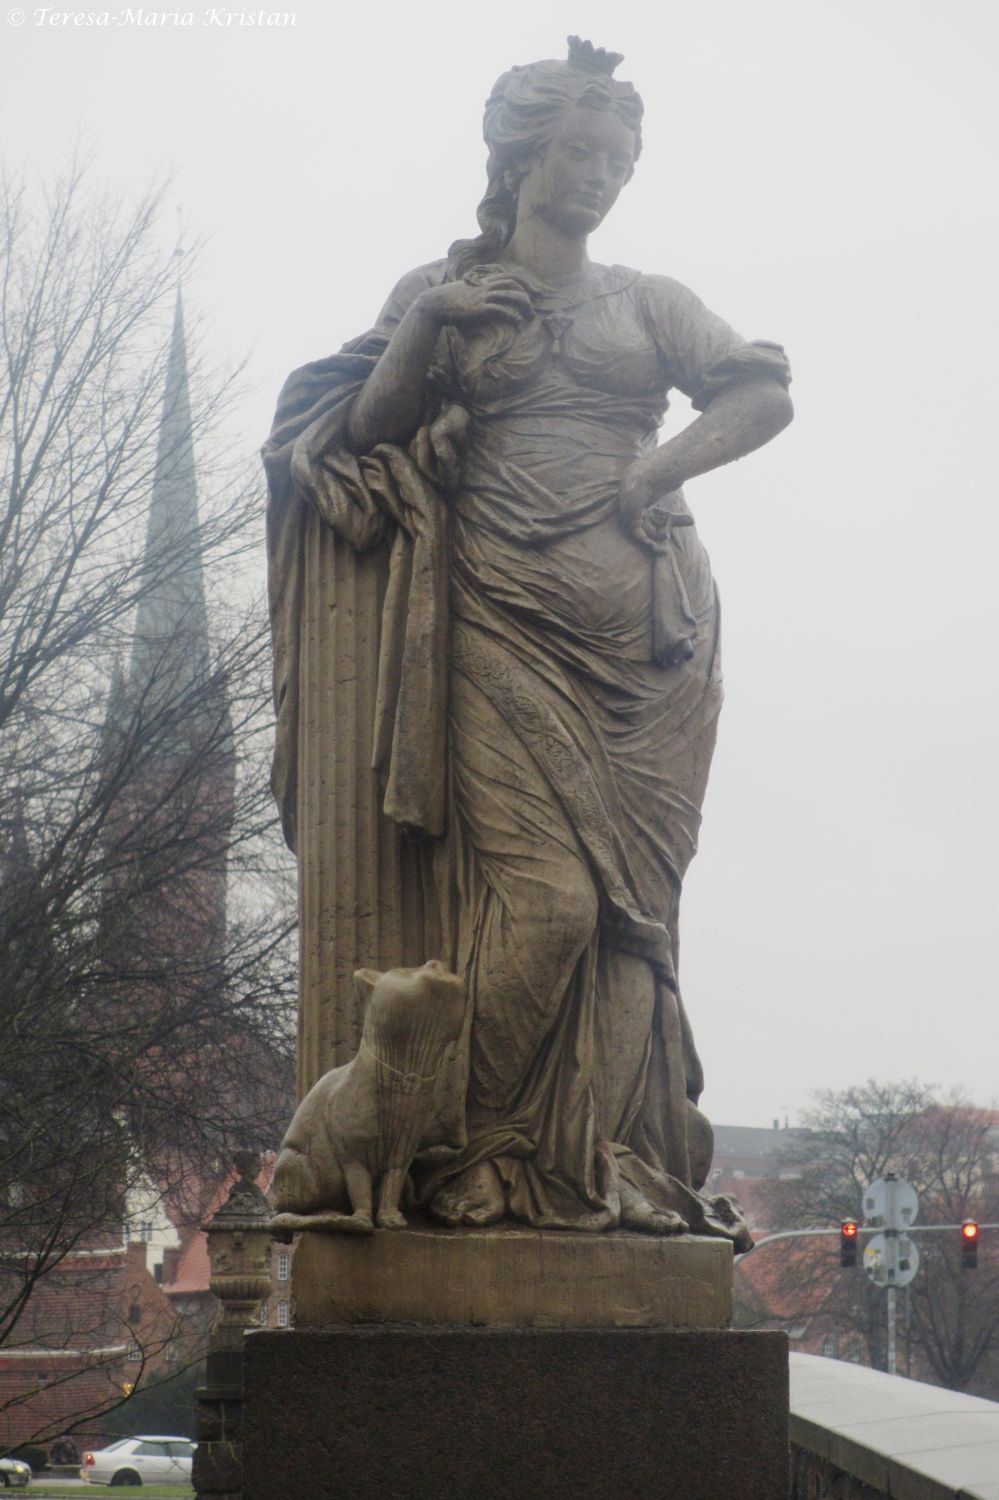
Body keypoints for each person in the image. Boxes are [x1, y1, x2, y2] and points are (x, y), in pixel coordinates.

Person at [264, 38, 791, 1243]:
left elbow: (761, 395)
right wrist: (430, 325)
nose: (601, 176)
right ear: (519, 157)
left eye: (619, 158)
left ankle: (589, 1161)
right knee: (550, 903)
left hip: (651, 651)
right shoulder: (442, 289)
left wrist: (655, 469)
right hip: (493, 617)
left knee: (625, 922)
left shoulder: (649, 298)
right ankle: (458, 1150)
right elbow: (357, 430)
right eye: (578, 152)